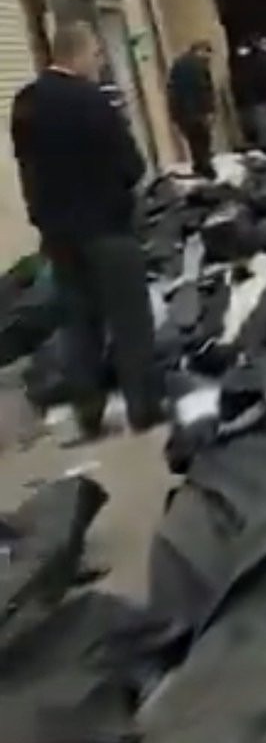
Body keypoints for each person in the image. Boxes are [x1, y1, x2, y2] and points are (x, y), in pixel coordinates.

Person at [11, 22, 162, 442]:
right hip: (107, 229)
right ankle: (143, 409)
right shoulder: (96, 101)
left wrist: (42, 216)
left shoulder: (26, 104)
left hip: (59, 235)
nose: (99, 62)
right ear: (77, 54)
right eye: (96, 54)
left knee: (78, 325)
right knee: (130, 322)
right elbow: (132, 166)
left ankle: (89, 415)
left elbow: (27, 168)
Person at [167, 40, 216, 179]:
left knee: (194, 140)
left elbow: (172, 89)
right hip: (197, 110)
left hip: (182, 112)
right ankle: (205, 168)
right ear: (200, 51)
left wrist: (174, 113)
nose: (209, 58)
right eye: (207, 53)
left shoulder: (178, 64)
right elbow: (204, 90)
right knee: (203, 139)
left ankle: (200, 165)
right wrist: (209, 110)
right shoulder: (199, 66)